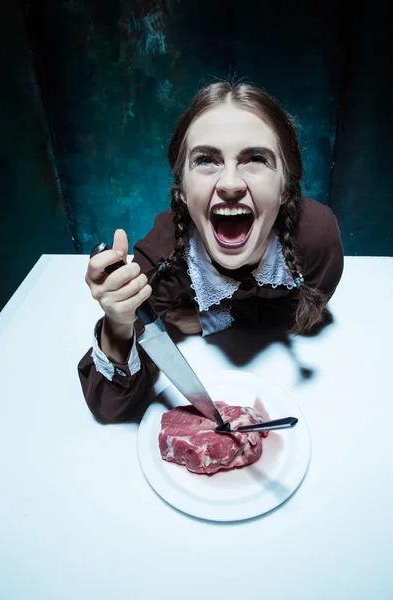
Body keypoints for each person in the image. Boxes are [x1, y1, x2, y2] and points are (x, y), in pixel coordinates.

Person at [78, 81, 343, 424]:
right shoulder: (164, 259)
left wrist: (214, 318)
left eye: (256, 159)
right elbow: (112, 408)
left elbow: (306, 315)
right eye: (206, 160)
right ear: (184, 190)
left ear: (284, 189)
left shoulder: (316, 240)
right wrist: (118, 322)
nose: (230, 184)